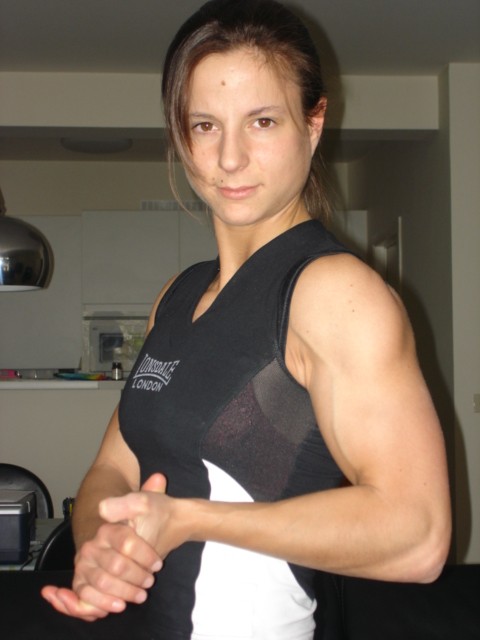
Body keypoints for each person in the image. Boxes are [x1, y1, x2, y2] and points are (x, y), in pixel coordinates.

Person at [42, 1, 451, 638]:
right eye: (205, 125)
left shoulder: (333, 293)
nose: (229, 158)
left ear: (314, 123)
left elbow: (418, 536)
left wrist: (189, 520)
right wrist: (100, 543)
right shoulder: (178, 294)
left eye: (262, 121)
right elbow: (113, 468)